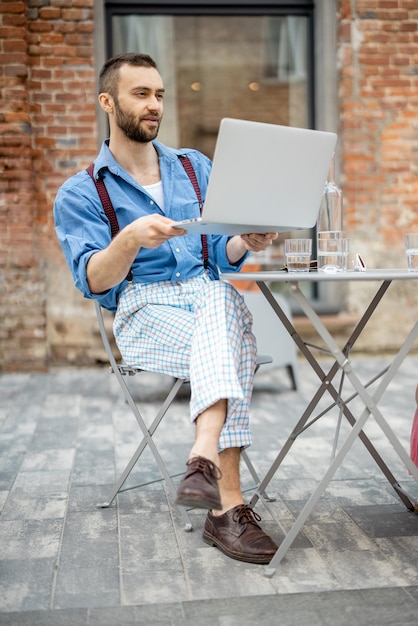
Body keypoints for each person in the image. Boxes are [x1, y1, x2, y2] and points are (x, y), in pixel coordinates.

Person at [54, 52, 279, 564]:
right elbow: (92, 280)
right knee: (233, 335)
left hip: (207, 300)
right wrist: (129, 239)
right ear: (107, 102)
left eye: (159, 95)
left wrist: (245, 241)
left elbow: (219, 254)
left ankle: (211, 475)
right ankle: (225, 501)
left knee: (221, 301)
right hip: (143, 310)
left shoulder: (195, 168)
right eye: (141, 94)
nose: (154, 105)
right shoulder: (82, 191)